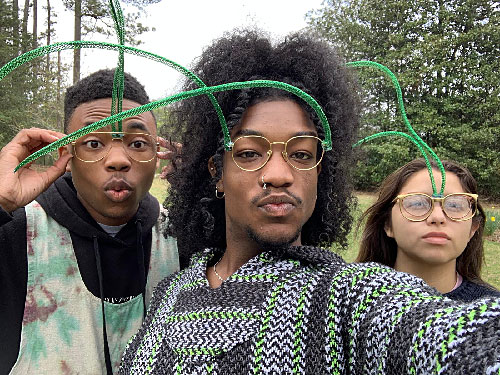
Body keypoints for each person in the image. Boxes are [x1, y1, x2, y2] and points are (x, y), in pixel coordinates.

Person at [119, 30, 500, 374]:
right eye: (250, 153)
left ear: (322, 174)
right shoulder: (173, 290)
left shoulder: (345, 298)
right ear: (217, 172)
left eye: (302, 155)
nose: (280, 174)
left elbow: (453, 338)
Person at [0, 69, 179, 374]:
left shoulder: (179, 237)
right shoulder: (16, 234)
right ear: (66, 153)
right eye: (94, 143)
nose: (118, 159)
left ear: (158, 154)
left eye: (137, 143)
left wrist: (206, 187)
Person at [355, 158, 500, 301]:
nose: (437, 217)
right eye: (417, 203)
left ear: (473, 229)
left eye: (455, 205)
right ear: (387, 224)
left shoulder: (493, 314)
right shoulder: (348, 301)